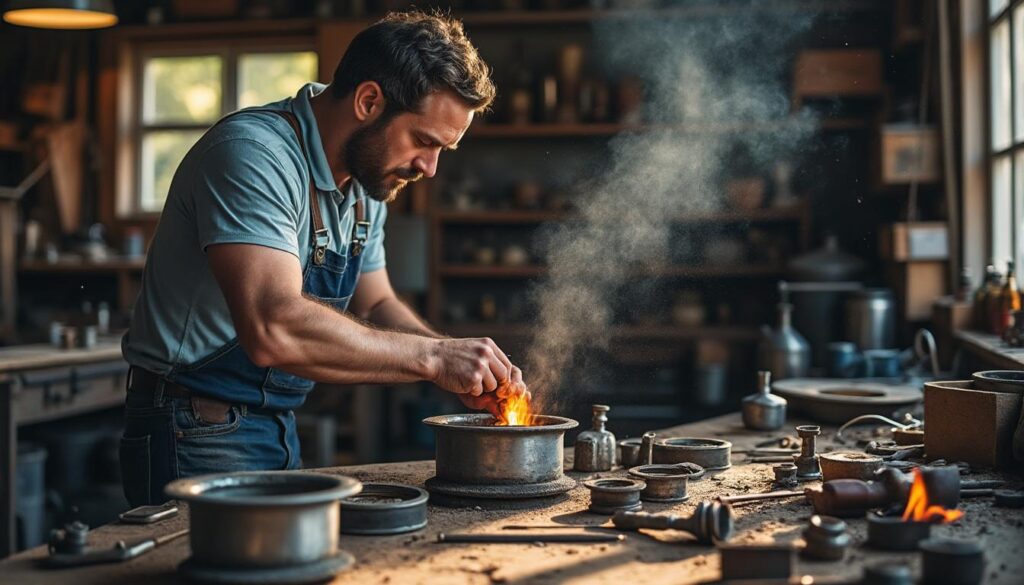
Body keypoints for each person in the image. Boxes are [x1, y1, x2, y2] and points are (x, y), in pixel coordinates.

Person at [119, 10, 526, 506]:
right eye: (423, 142)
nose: (430, 168)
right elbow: (274, 327)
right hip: (192, 427)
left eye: (444, 150)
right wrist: (435, 359)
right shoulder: (253, 156)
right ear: (369, 100)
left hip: (274, 423)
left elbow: (377, 305)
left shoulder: (366, 183)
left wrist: (461, 362)